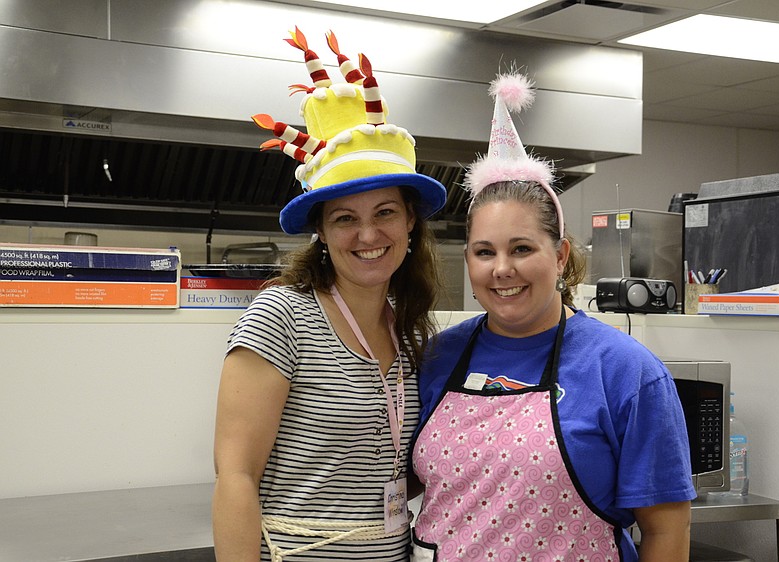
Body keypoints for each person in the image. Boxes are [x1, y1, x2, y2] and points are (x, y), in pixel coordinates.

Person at [410, 72, 696, 562]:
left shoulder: (626, 371)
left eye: (522, 248)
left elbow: (667, 531)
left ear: (560, 256)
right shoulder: (439, 356)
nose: (502, 269)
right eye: (484, 251)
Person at [212, 28, 447, 561]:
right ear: (320, 231)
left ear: (411, 221)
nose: (368, 235)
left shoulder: (408, 326)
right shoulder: (281, 316)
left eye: (385, 212)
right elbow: (235, 475)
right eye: (345, 219)